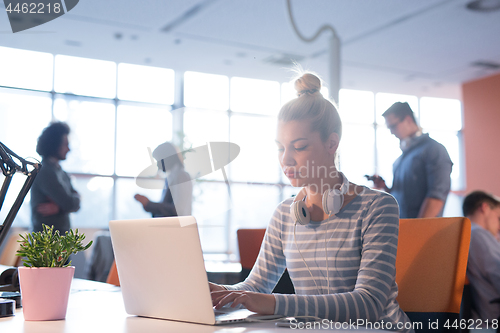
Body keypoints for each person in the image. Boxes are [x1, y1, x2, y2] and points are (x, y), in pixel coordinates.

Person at [209, 73, 413, 332]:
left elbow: (369, 304)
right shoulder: (286, 213)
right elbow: (255, 288)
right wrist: (216, 293)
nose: (286, 160)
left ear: (332, 143)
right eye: (281, 148)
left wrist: (272, 303)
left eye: (299, 147)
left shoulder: (376, 206)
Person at [368, 102, 452, 218]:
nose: (391, 132)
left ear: (408, 120)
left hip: (421, 231)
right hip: (402, 228)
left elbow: (437, 196)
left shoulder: (434, 150)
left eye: (393, 126)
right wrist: (385, 187)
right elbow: (400, 198)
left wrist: (417, 231)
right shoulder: (400, 160)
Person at [30, 122, 80, 234]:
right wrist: (67, 205)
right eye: (65, 144)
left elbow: (75, 203)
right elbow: (69, 203)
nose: (68, 149)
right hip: (46, 242)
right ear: (55, 144)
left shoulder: (61, 172)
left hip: (60, 239)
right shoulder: (45, 171)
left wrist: (59, 208)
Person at [462, 190, 500, 322]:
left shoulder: (466, 234)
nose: (499, 226)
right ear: (484, 208)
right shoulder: (479, 235)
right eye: (498, 218)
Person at [134, 142, 192, 217]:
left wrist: (149, 204)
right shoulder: (171, 177)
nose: (158, 165)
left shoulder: (182, 176)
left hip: (177, 227)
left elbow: (179, 211)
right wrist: (148, 205)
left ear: (167, 158)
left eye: (158, 160)